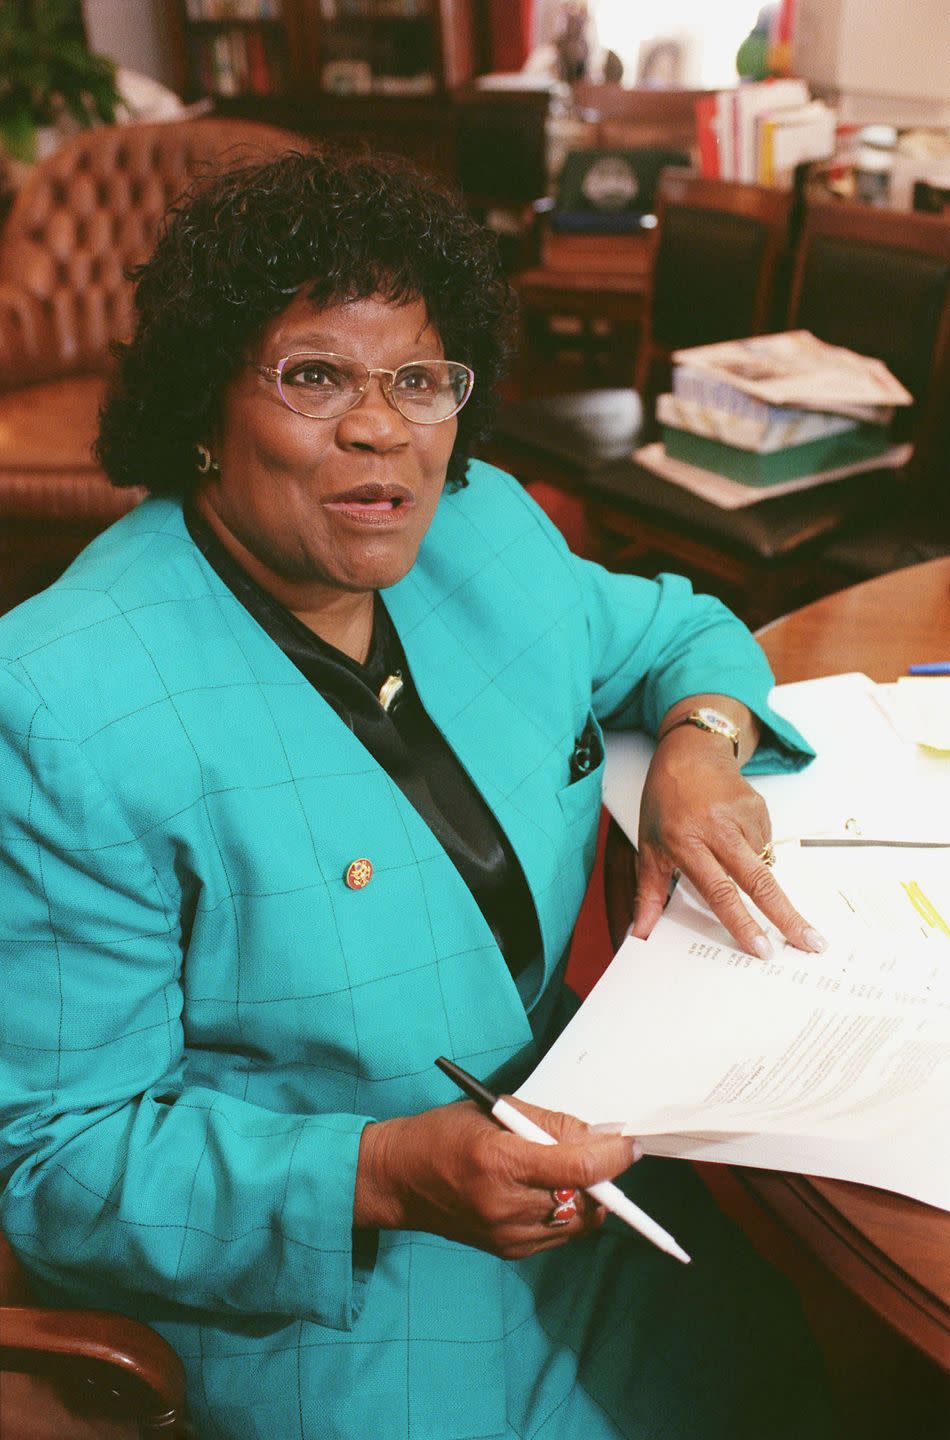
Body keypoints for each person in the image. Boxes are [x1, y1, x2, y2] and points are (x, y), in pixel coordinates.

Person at [0, 148, 834, 1439]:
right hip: (332, 1296)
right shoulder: (60, 704)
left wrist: (699, 748)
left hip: (593, 1188)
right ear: (202, 408)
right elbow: (55, 1167)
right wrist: (382, 1175)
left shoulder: (484, 532)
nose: (381, 428)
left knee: (819, 1369)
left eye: (419, 380)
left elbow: (684, 629)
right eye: (314, 375)